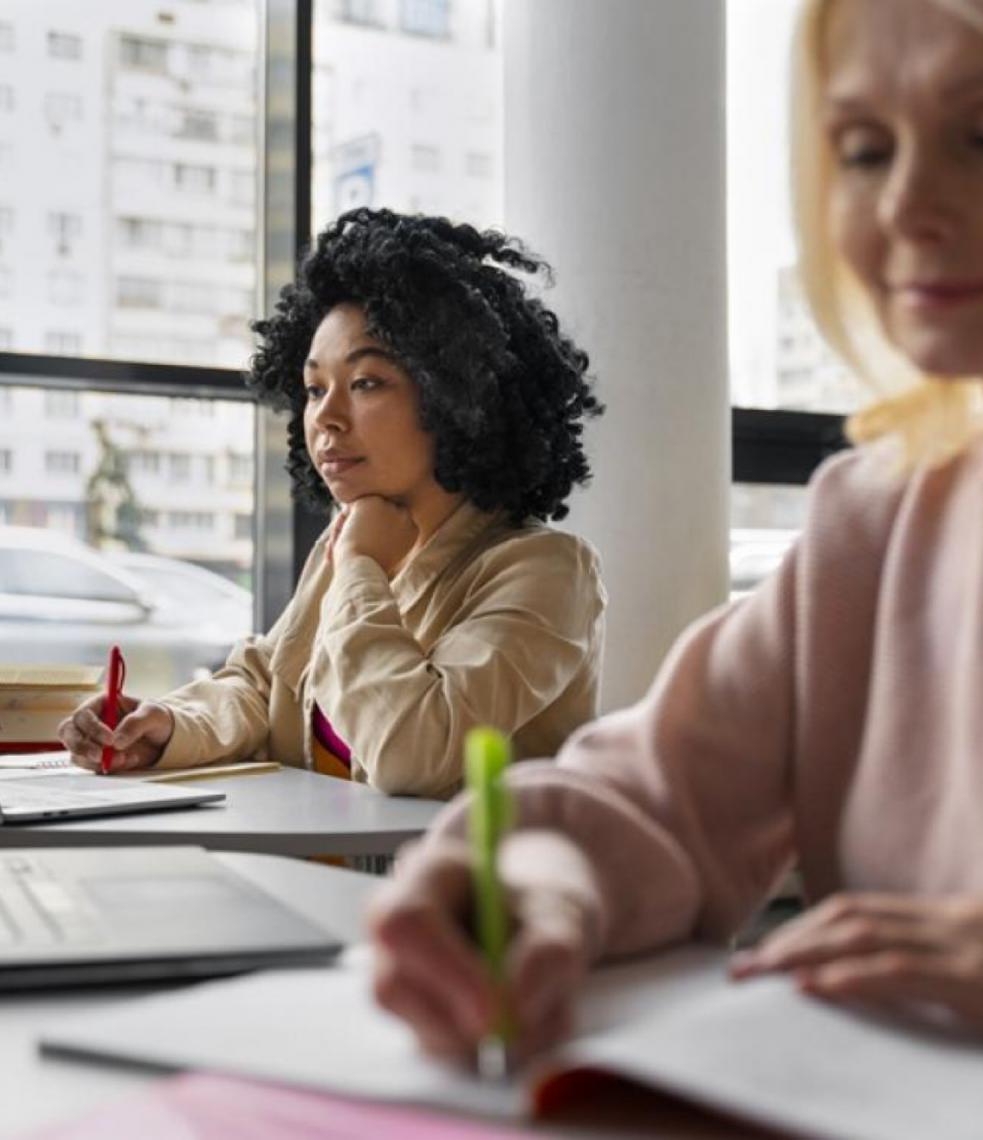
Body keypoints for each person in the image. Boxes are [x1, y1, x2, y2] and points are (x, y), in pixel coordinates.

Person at [368, 0, 983, 1061]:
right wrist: (529, 883)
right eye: (862, 150)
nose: (903, 208)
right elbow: (651, 800)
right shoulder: (874, 526)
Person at [59, 209, 606, 798]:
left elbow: (410, 751)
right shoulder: (350, 539)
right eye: (315, 388)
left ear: (457, 397)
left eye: (366, 382)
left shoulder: (546, 570)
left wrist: (362, 570)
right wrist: (171, 726)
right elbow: (268, 683)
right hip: (320, 877)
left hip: (462, 889)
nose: (325, 417)